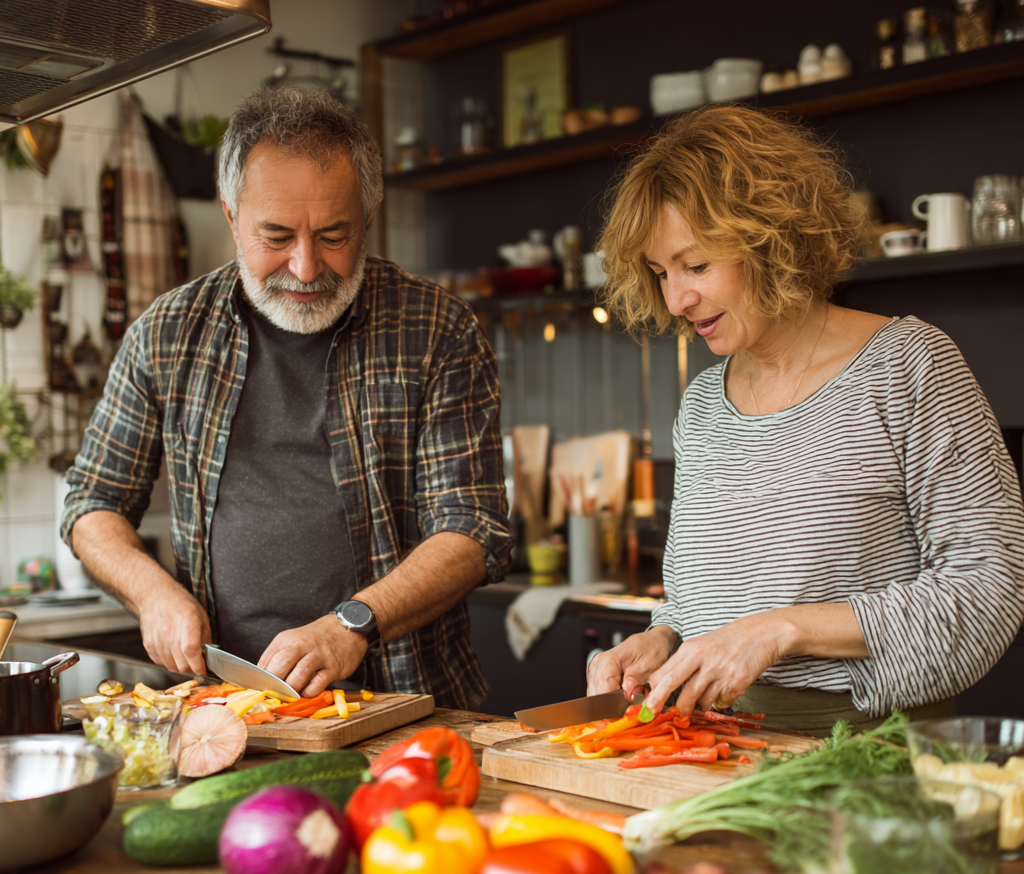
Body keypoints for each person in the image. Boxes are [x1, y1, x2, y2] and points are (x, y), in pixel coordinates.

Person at [61, 88, 511, 708]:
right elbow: (93, 501)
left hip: (405, 706)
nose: (305, 267)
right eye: (276, 236)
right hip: (221, 706)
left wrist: (352, 623)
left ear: (368, 217)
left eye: (333, 234)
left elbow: (473, 528)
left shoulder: (438, 331)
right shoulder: (166, 333)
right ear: (230, 214)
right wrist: (152, 592)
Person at [587, 106, 1024, 736]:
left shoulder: (907, 366)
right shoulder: (705, 402)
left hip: (864, 750)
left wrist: (784, 628)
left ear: (770, 239)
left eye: (697, 265)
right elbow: (697, 598)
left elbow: (991, 583)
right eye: (661, 273)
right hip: (708, 745)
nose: (676, 300)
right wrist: (663, 636)